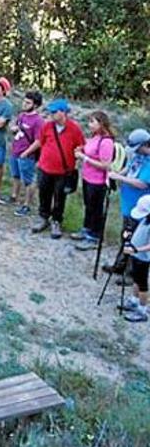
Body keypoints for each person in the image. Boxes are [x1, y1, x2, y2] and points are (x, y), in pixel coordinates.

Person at [31, 99, 85, 239]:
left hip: (63, 171)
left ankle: (56, 221)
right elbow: (41, 142)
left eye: (54, 112)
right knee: (44, 193)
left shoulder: (74, 129)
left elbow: (81, 146)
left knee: (60, 197)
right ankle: (43, 217)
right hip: (45, 168)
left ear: (63, 112)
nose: (51, 114)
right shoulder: (47, 126)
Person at [105, 129, 150, 274]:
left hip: (141, 208)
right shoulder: (138, 155)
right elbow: (129, 167)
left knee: (137, 240)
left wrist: (120, 179)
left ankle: (133, 273)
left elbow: (143, 184)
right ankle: (120, 265)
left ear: (145, 145)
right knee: (126, 235)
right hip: (128, 204)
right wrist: (117, 174)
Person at [72, 111, 116, 250]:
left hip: (98, 181)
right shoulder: (95, 137)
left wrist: (84, 158)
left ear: (101, 124)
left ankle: (94, 236)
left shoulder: (106, 141)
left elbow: (105, 165)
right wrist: (82, 150)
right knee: (88, 205)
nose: (89, 125)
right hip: (87, 177)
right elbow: (90, 151)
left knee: (96, 208)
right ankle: (86, 229)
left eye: (93, 122)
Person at [2, 91, 44, 217]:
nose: (24, 104)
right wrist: (14, 129)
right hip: (16, 151)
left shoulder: (38, 121)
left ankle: (27, 204)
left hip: (26, 154)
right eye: (24, 101)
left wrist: (26, 153)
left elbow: (38, 141)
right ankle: (14, 195)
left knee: (28, 180)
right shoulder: (22, 116)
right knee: (15, 175)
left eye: (28, 102)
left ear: (35, 105)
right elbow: (16, 128)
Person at [123, 195, 150, 322]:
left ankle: (142, 309)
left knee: (142, 283)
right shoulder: (145, 219)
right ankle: (134, 300)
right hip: (136, 255)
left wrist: (136, 249)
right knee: (136, 278)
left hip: (144, 258)